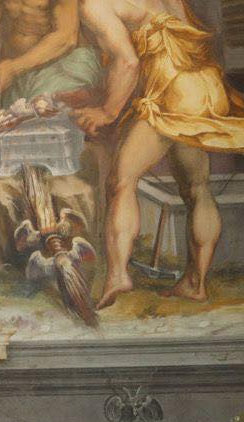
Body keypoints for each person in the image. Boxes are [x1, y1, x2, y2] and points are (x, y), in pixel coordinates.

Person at [73, 0, 244, 306]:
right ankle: (196, 283)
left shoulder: (94, 4)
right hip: (205, 85)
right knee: (197, 187)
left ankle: (118, 276)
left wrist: (108, 111)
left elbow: (128, 63)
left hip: (171, 90)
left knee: (121, 181)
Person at [0, 0, 101, 107]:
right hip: (17, 74)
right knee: (10, 132)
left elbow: (66, 37)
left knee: (39, 120)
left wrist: (15, 67)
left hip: (63, 65)